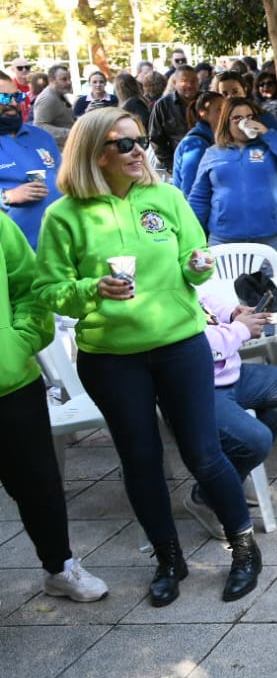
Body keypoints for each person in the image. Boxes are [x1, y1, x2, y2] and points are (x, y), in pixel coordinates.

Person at [34, 108, 261, 606]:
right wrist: (94, 289)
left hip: (181, 345)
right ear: (96, 154)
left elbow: (194, 264)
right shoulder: (64, 215)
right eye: (125, 144)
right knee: (140, 460)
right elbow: (48, 292)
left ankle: (243, 548)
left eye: (141, 141)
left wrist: (199, 265)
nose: (139, 151)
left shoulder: (167, 197)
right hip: (111, 358)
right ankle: (168, 558)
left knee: (204, 453)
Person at [0, 216, 109, 603]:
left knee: (39, 484)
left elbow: (29, 288)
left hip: (11, 382)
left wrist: (18, 341)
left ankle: (60, 568)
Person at [182, 281, 277, 538]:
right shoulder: (154, 293)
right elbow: (203, 347)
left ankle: (226, 479)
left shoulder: (179, 271)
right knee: (256, 440)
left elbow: (204, 300)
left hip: (232, 376)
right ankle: (207, 496)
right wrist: (239, 330)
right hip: (196, 388)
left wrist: (232, 313)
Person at [188, 94, 277, 258]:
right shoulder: (213, 153)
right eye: (237, 118)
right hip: (224, 238)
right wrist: (192, 235)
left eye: (249, 117)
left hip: (271, 237)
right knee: (226, 283)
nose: (245, 122)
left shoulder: (270, 147)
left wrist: (268, 134)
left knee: (266, 283)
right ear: (226, 123)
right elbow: (199, 198)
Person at [0, 70, 64, 247]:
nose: (13, 103)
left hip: (59, 246)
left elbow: (63, 177)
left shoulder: (40, 136)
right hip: (13, 254)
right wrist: (7, 196)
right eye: (3, 98)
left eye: (17, 96)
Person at [170, 90, 222, 195]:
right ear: (203, 114)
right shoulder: (196, 144)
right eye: (219, 109)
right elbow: (190, 190)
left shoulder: (212, 139)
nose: (226, 113)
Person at [150, 64, 201, 171]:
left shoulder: (208, 101)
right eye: (184, 81)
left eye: (193, 81)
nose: (189, 85)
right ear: (174, 83)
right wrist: (172, 166)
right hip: (180, 165)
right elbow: (156, 139)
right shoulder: (163, 105)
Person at [32, 64, 76, 146]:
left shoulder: (59, 93)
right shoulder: (47, 98)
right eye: (64, 79)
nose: (69, 82)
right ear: (52, 80)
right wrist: (72, 133)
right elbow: (39, 126)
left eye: (69, 79)